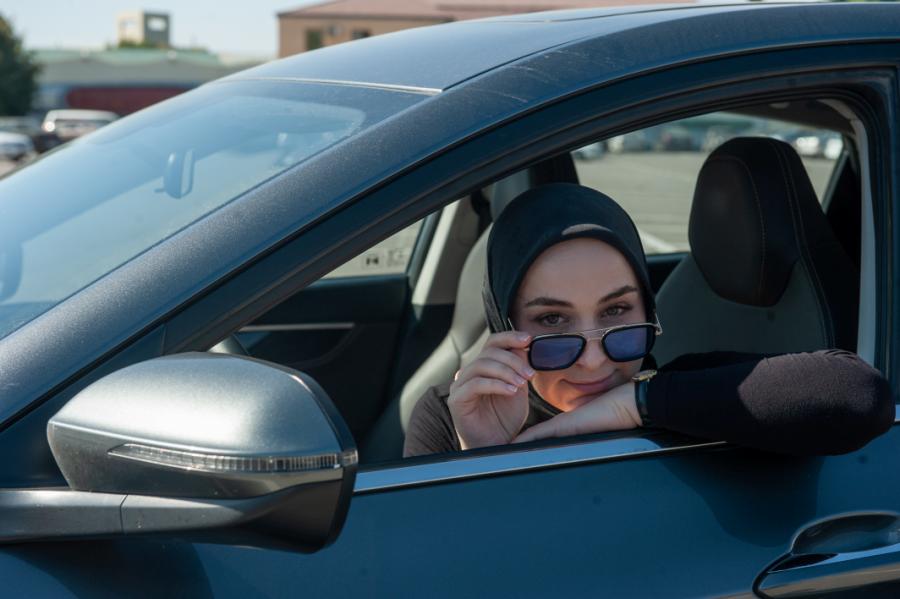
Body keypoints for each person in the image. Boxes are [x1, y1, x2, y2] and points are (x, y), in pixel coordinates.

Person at [403, 183, 893, 458]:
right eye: (552, 320)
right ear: (502, 322)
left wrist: (633, 404)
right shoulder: (453, 416)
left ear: (649, 311)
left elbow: (859, 395)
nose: (594, 360)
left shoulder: (688, 393)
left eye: (617, 312)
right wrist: (485, 455)